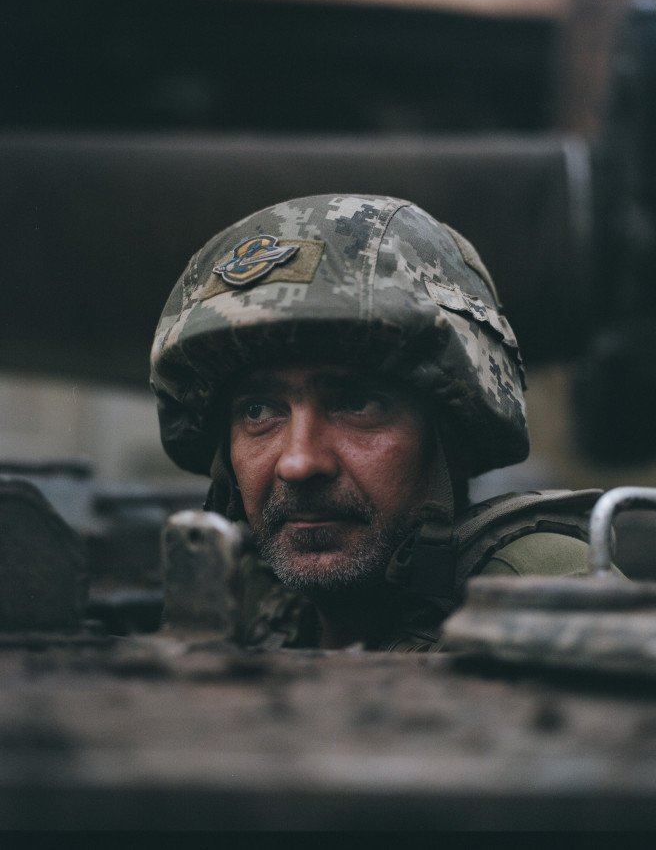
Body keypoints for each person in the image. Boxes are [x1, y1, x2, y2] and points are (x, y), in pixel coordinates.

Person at [151, 194, 600, 651]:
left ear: (451, 429)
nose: (299, 463)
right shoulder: (243, 599)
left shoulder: (539, 593)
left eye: (357, 404)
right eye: (258, 412)